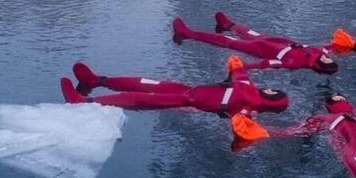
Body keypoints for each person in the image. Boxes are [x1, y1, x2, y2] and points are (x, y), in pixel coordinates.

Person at [59, 56, 289, 119]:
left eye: (272, 91)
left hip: (185, 100)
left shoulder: (248, 101)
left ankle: (83, 101)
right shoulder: (249, 95)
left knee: (139, 96)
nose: (269, 88)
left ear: (270, 97)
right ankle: (97, 80)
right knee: (146, 83)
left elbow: (236, 66)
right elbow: (238, 71)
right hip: (188, 90)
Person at [172, 12, 339, 74]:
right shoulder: (321, 53)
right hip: (274, 41)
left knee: (226, 41)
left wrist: (246, 67)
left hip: (260, 49)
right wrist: (337, 44)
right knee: (249, 31)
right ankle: (228, 25)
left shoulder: (295, 63)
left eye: (326, 62)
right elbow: (324, 47)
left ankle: (187, 33)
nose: (327, 58)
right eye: (329, 59)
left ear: (320, 66)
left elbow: (269, 64)